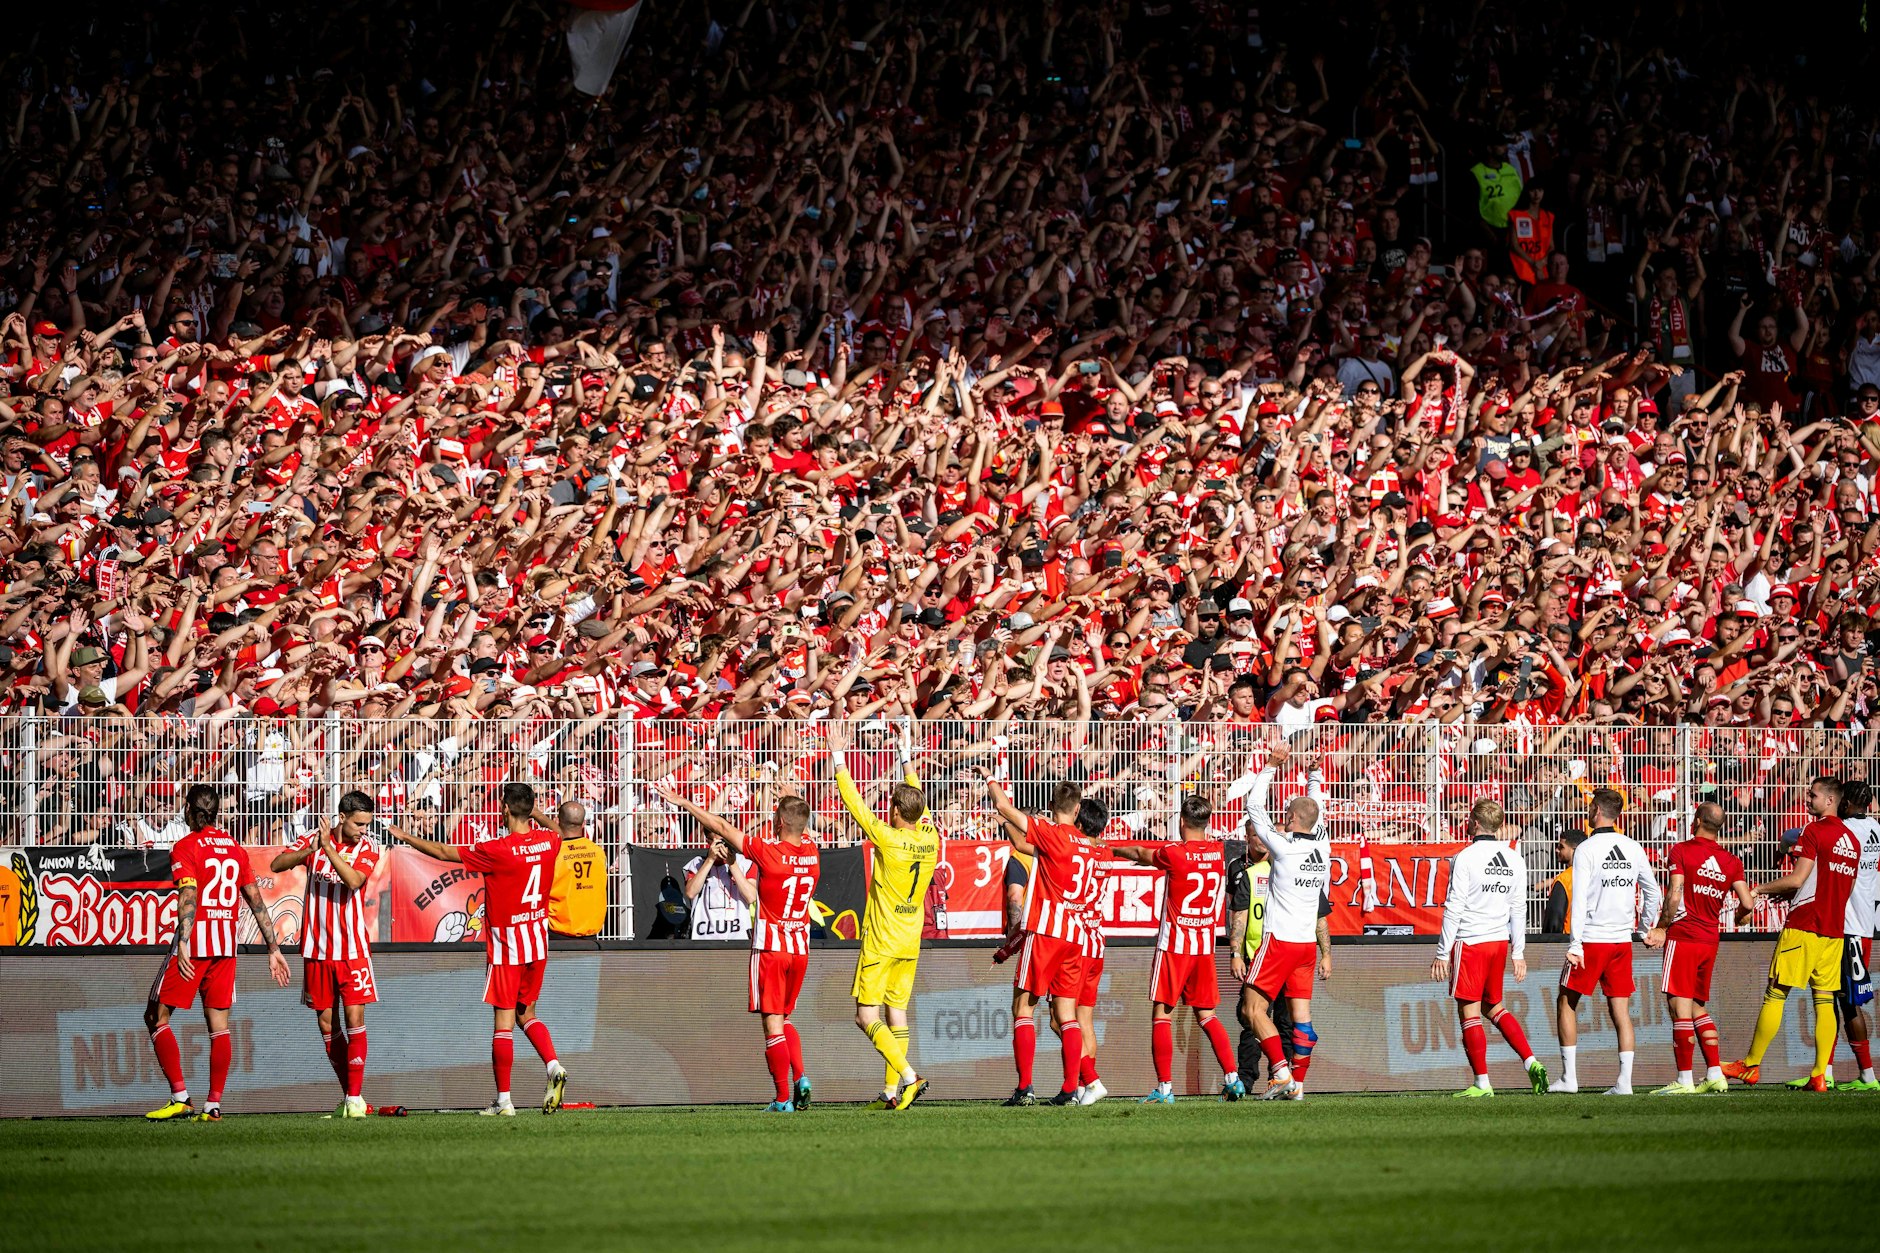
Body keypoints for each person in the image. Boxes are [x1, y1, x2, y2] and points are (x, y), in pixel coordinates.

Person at [391, 783, 570, 1116]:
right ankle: (553, 1066)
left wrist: (406, 837)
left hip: (507, 946)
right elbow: (559, 830)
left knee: (502, 1024)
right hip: (537, 943)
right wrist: (536, 814)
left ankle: (504, 1102)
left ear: (504, 808)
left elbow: (445, 854)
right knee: (526, 1014)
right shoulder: (548, 842)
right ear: (530, 810)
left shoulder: (498, 849)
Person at [659, 785, 820, 1112]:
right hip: (800, 948)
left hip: (771, 948)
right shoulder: (813, 851)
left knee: (771, 1024)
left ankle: (782, 1099)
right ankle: (801, 1077)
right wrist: (791, 799)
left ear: (778, 821)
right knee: (786, 1018)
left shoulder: (768, 853)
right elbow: (798, 823)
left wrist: (684, 802)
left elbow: (721, 826)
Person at [143, 785, 291, 1121]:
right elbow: (255, 900)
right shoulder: (235, 850)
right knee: (219, 1026)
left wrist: (182, 940)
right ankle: (213, 1104)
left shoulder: (185, 847)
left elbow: (188, 896)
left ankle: (181, 1097)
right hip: (226, 945)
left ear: (188, 810)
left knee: (155, 1017)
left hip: (195, 944)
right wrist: (274, 948)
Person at [1725, 777, 1862, 1092]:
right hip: (1833, 929)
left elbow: (1798, 879)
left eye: (1812, 795)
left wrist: (1759, 889)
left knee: (1776, 992)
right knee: (1824, 999)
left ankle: (1751, 1065)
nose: (1807, 798)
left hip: (1805, 925)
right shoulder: (1852, 841)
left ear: (1830, 800)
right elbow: (1845, 889)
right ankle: (1818, 1075)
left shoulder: (1814, 831)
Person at [1108, 793, 1242, 1103]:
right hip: (1205, 946)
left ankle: (1165, 1088)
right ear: (1206, 822)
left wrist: (1111, 847)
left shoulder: (1174, 853)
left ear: (1181, 821)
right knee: (1207, 1014)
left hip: (1176, 944)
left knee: (1162, 1014)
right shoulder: (1218, 852)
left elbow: (1141, 853)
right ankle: (1233, 1078)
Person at [830, 722, 935, 1111]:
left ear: (893, 811)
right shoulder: (931, 838)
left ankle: (910, 1077)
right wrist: (906, 758)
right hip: (911, 939)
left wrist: (839, 759)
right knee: (897, 1011)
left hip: (882, 939)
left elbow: (856, 806)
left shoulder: (887, 838)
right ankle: (892, 1093)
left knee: (864, 1016)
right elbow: (919, 800)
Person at [270, 789, 384, 1117]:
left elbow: (353, 880)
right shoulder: (315, 840)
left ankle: (354, 1099)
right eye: (359, 823)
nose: (364, 829)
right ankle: (351, 1095)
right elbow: (278, 863)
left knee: (355, 1019)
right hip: (317, 949)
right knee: (326, 1024)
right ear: (342, 817)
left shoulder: (368, 847)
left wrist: (329, 849)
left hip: (352, 950)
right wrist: (312, 848)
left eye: (367, 823)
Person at [987, 777, 1096, 1107]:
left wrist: (991, 780)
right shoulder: (1088, 846)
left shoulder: (1051, 834)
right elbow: (1025, 846)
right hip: (1076, 936)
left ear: (1052, 807)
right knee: (1067, 1014)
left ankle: (1025, 1088)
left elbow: (1004, 804)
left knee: (1023, 1007)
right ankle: (1069, 1090)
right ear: (1077, 810)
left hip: (1048, 932)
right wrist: (1007, 825)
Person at [1431, 800, 1547, 1098]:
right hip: (1498, 942)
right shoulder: (1513, 858)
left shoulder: (1465, 857)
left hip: (1470, 941)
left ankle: (1482, 1082)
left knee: (1468, 1010)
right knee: (1494, 1006)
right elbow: (1519, 908)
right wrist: (1517, 952)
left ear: (1475, 823)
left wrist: (1443, 952)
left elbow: (1454, 906)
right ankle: (1531, 1060)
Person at [1553, 787, 1662, 1095]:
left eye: (1590, 808)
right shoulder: (1632, 846)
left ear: (1596, 812)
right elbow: (1653, 892)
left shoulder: (1587, 849)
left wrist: (1575, 944)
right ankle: (1624, 1083)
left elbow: (1580, 900)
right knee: (1621, 1011)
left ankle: (1569, 1078)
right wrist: (1643, 928)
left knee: (1566, 1001)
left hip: (1591, 938)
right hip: (1621, 941)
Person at [1240, 737, 1332, 1101]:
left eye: (1288, 814)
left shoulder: (1283, 845)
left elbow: (1253, 807)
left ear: (1291, 818)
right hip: (1306, 946)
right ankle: (1300, 1085)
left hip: (1279, 942)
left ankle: (1280, 1072)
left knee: (1251, 1009)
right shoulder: (1322, 846)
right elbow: (1317, 810)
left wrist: (1271, 766)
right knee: (1302, 1022)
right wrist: (1314, 774)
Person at [1642, 801, 1752, 1095]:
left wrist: (1662, 927)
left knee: (1679, 1007)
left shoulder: (1682, 851)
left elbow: (1675, 892)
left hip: (1685, 936)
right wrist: (1741, 917)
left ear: (1698, 820)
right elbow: (1748, 904)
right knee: (1696, 1006)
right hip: (1709, 939)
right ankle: (1715, 1074)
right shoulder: (1730, 860)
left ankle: (1685, 1079)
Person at [1067, 796, 1113, 1105]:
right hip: (1097, 937)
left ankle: (1089, 1081)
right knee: (1084, 1019)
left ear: (1080, 824)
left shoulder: (1074, 851)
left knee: (1062, 1020)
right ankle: (1084, 1088)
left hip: (1075, 939)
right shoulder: (1106, 852)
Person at [1837, 780, 1879, 1091]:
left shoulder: (1846, 830)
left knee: (1849, 1002)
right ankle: (1822, 1070)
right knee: (1831, 995)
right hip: (1864, 922)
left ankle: (1867, 1075)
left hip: (1849, 925)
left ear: (1848, 803)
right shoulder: (1876, 829)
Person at [682, 830, 757, 942]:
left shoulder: (745, 863)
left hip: (738, 938)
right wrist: (710, 859)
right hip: (703, 938)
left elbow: (751, 897)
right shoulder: (697, 864)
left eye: (726, 840)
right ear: (708, 841)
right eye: (720, 842)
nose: (723, 846)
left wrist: (732, 864)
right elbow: (690, 892)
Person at [547, 802, 606, 941]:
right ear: (584, 823)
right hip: (591, 932)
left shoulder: (554, 853)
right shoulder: (598, 852)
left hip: (559, 931)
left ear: (556, 820)